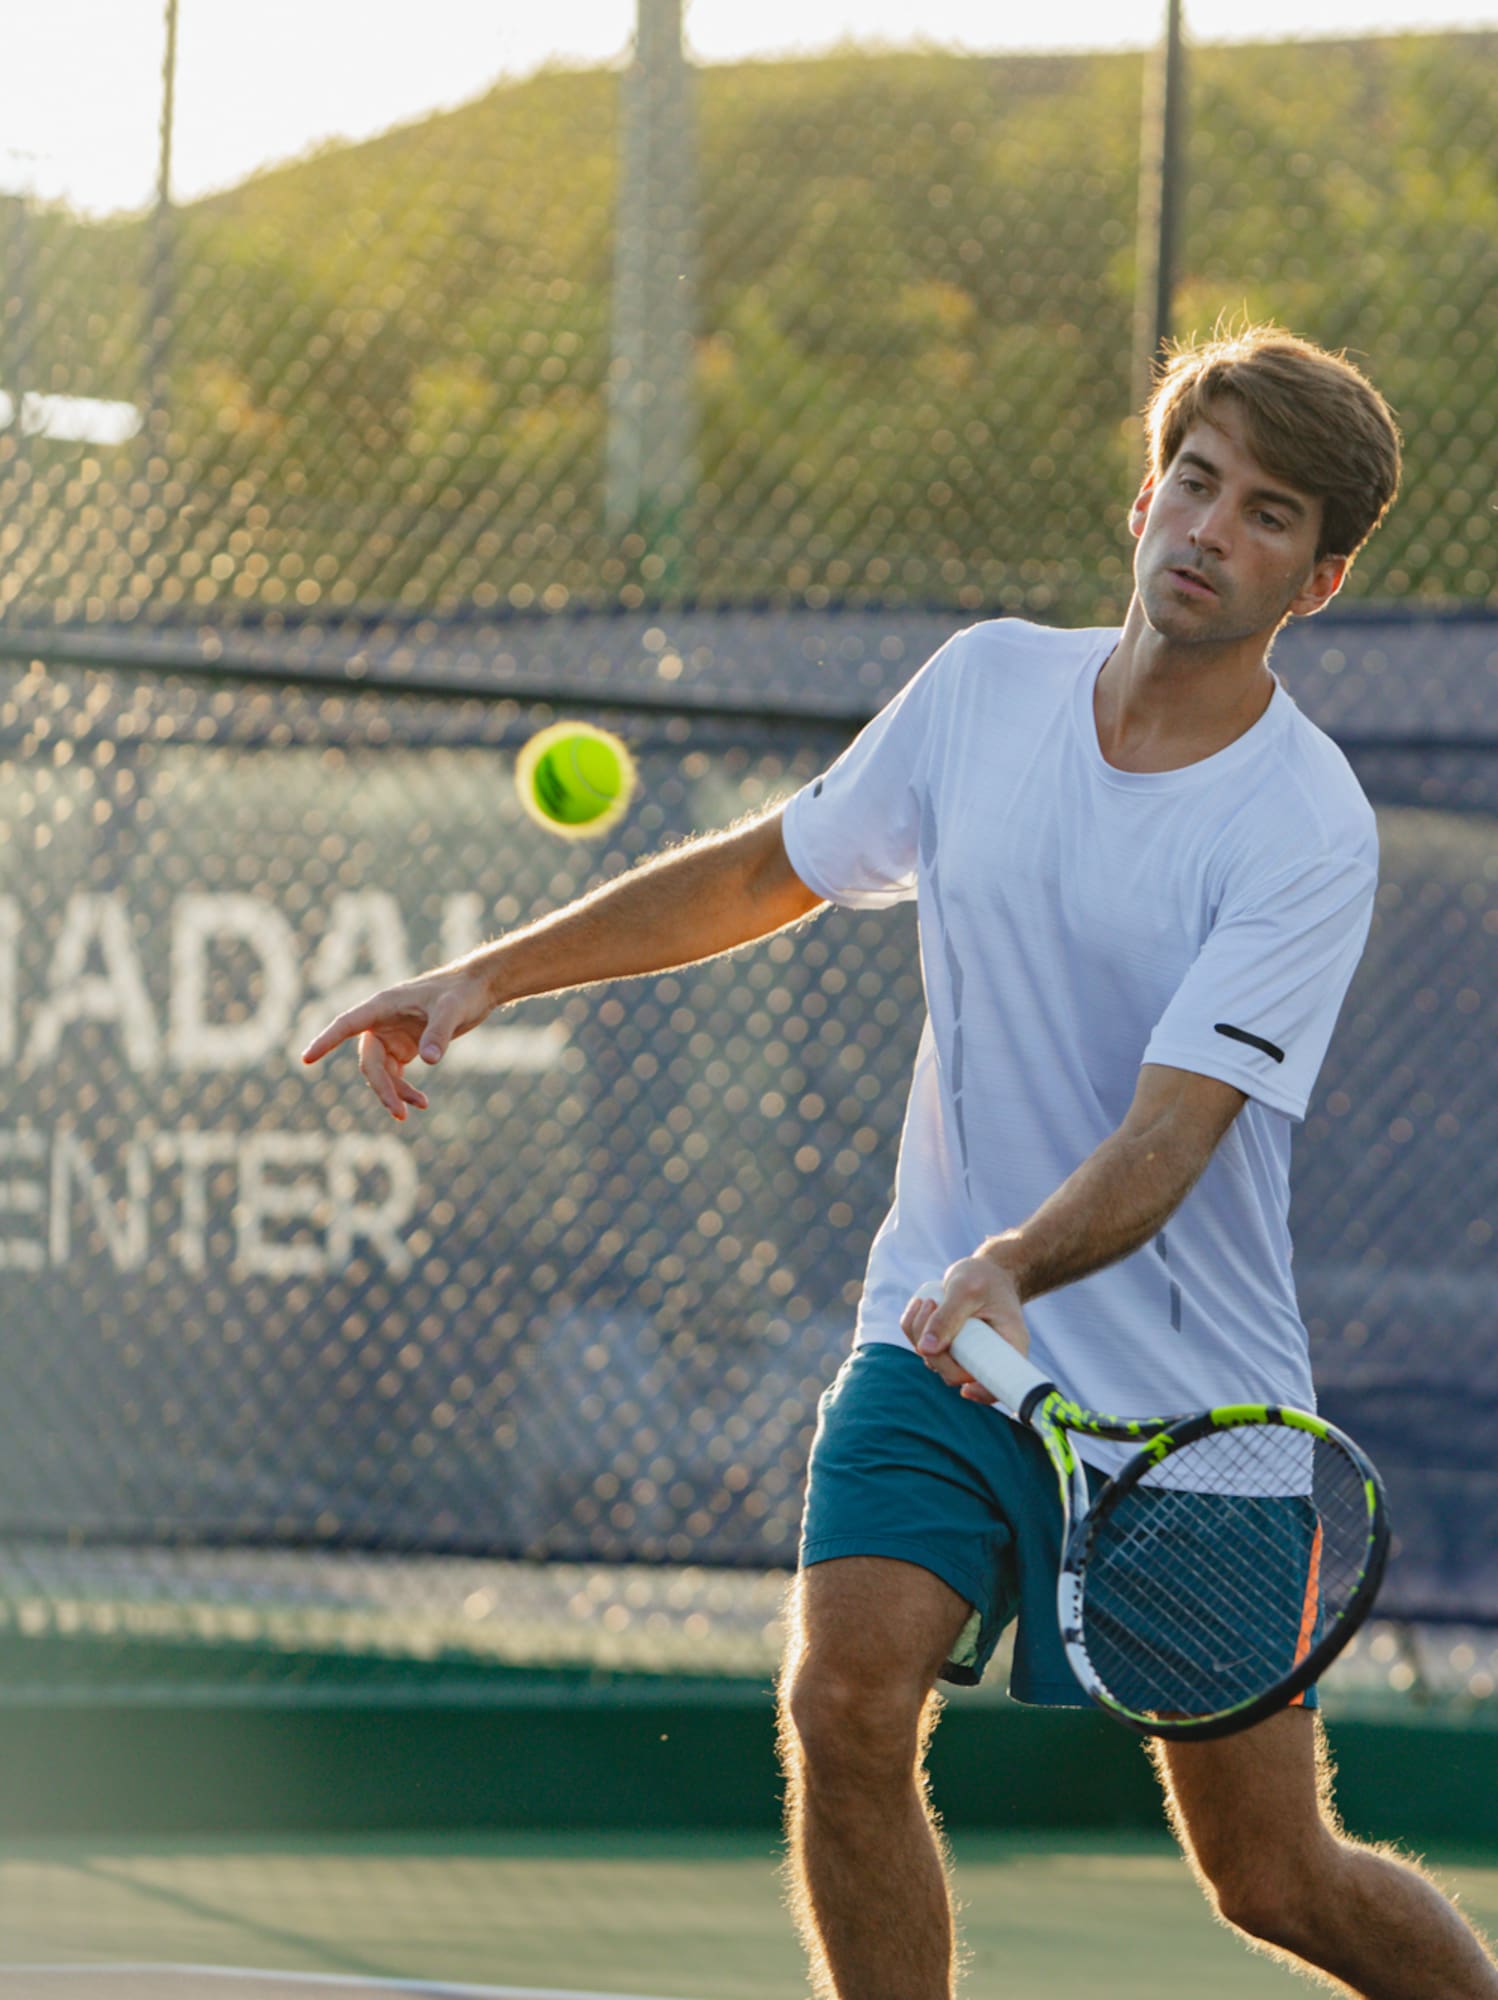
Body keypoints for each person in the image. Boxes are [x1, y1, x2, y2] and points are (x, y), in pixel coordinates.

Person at [302, 323, 1498, 1998]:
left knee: (1271, 1875)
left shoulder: (1303, 826)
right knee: (840, 1701)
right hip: (932, 1347)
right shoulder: (982, 687)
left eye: (1269, 513)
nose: (1211, 530)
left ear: (1320, 578)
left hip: (1184, 1408)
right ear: (1145, 497)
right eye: (1197, 483)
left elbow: (1171, 1130)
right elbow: (763, 874)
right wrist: (485, 974)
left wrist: (1014, 1261)